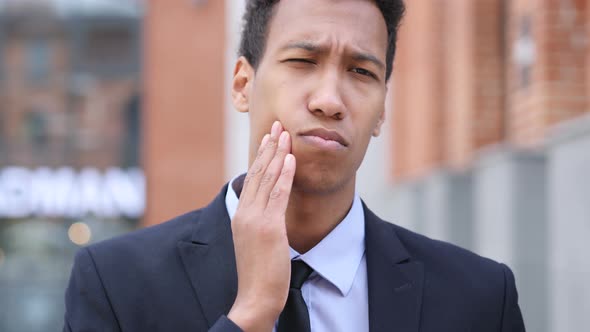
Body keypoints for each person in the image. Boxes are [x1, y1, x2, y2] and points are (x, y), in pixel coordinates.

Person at [63, 0, 526, 331]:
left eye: (362, 72)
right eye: (303, 61)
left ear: (382, 109)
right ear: (243, 85)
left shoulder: (479, 298)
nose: (330, 100)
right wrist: (252, 315)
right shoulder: (115, 285)